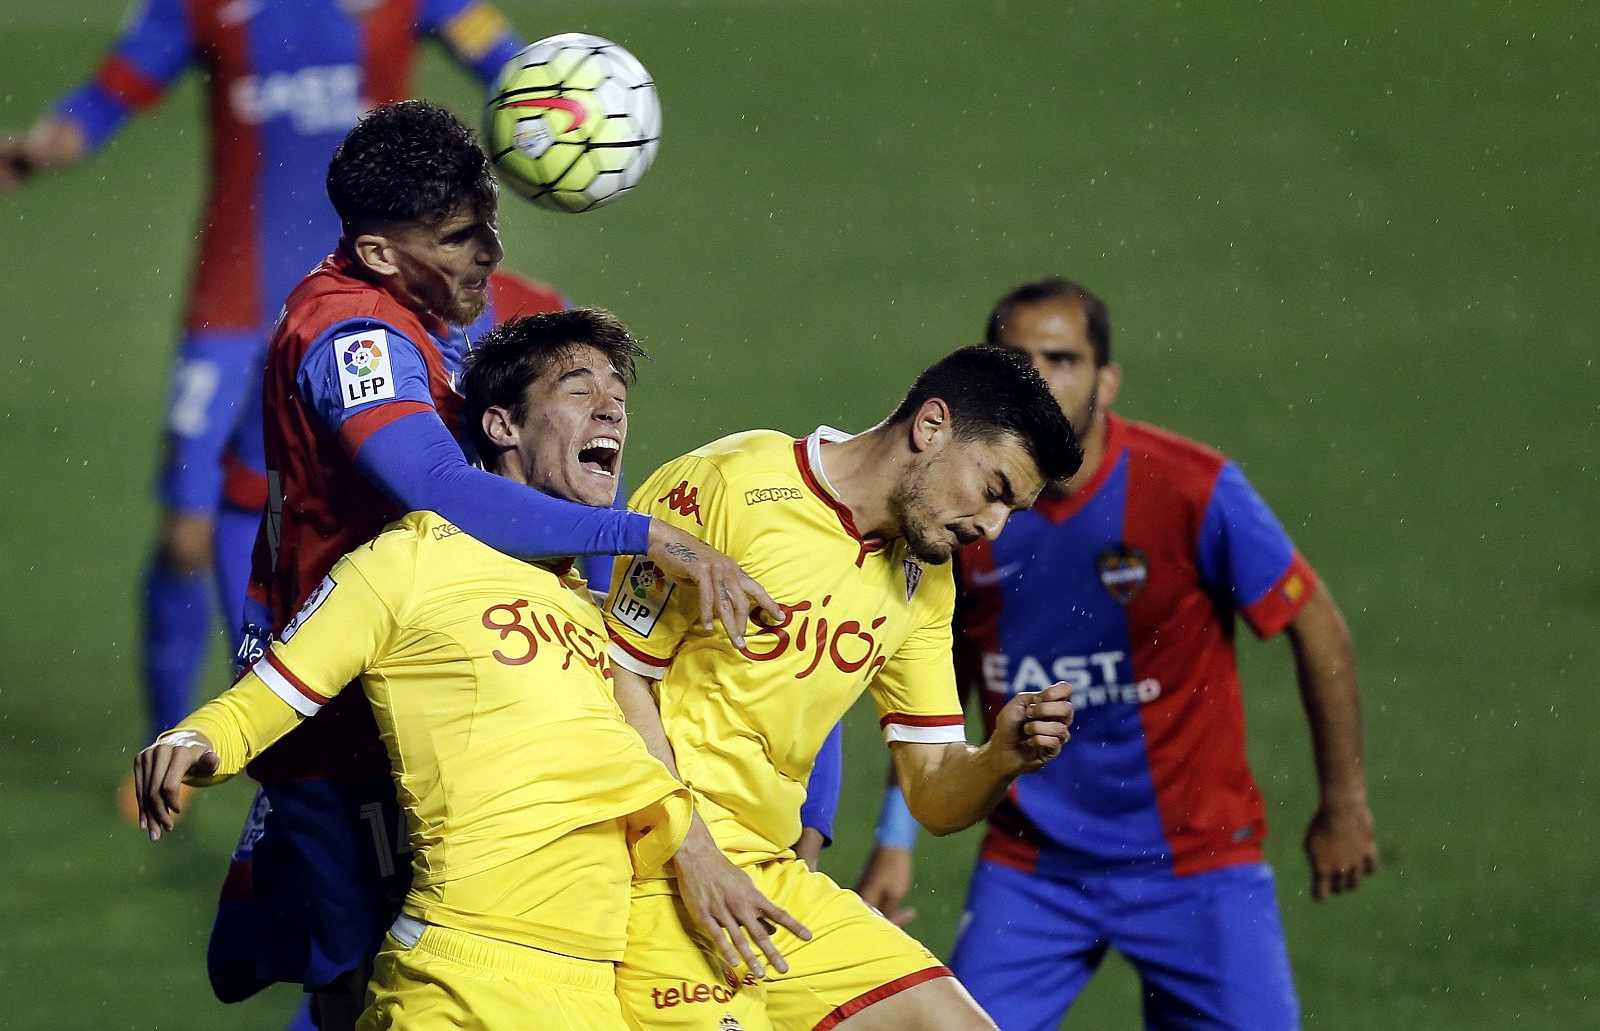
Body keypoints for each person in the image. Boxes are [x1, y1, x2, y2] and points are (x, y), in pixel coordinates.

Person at [212, 99, 780, 1027]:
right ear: (380, 252)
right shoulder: (354, 336)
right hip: (348, 711)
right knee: (360, 978)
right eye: (458, 237)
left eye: (489, 223)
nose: (488, 253)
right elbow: (438, 487)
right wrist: (647, 537)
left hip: (443, 685)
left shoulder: (421, 311)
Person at [0, 0, 529, 790]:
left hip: (378, 296)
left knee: (409, 506)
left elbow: (512, 70)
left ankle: (388, 729)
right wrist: (38, 149)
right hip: (238, 301)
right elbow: (110, 94)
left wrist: (564, 110)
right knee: (187, 535)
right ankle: (166, 741)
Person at [134, 308, 697, 1030]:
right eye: (580, 389)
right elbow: (269, 694)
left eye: (618, 393)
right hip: (461, 977)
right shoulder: (412, 560)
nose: (611, 407)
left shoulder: (590, 612)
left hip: (591, 989)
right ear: (500, 426)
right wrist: (195, 739)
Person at [855, 277, 1379, 1030]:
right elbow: (937, 677)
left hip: (1197, 863)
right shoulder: (963, 508)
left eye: (1061, 359)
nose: (1039, 378)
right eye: (1018, 360)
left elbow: (1316, 625)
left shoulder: (1191, 488)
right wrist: (895, 839)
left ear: (1106, 380)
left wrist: (1345, 803)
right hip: (1035, 868)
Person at [601, 344, 1084, 1029]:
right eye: (995, 489)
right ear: (932, 426)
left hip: (765, 879)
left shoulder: (925, 580)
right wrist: (694, 854)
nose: (992, 527)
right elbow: (616, 675)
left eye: (1015, 511)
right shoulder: (729, 483)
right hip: (651, 864)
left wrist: (1000, 757)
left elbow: (934, 792)